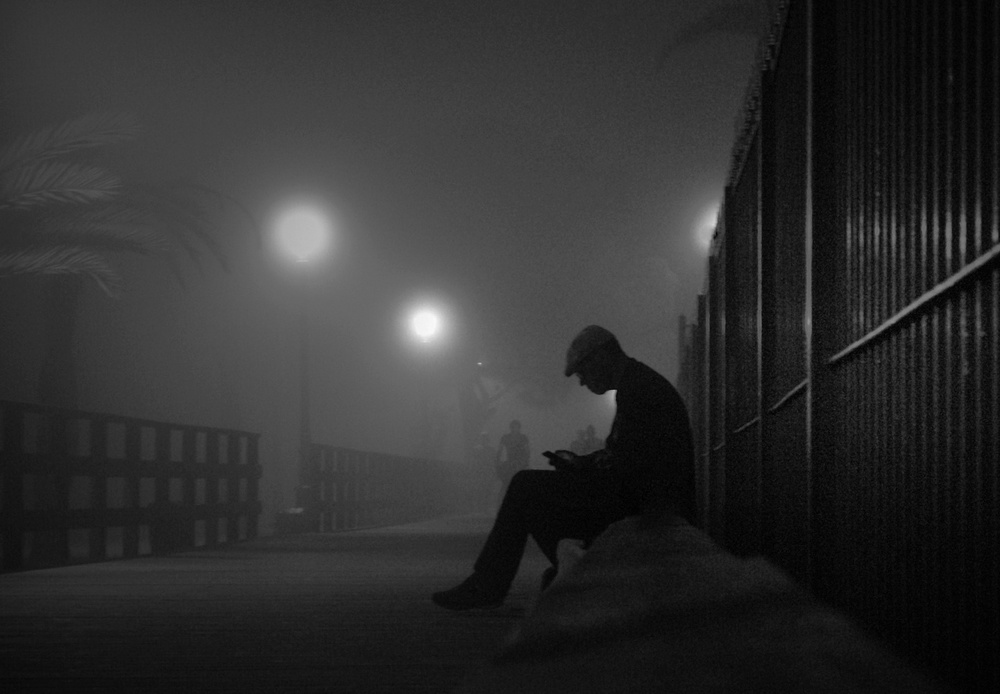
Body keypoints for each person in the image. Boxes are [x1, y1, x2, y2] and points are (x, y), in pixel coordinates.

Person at [432, 325, 696, 611]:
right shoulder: (640, 384)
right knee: (533, 492)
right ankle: (564, 574)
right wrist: (582, 464)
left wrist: (585, 468)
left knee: (525, 486)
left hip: (642, 509)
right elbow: (628, 457)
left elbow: (627, 466)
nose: (582, 382)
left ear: (600, 359)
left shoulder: (638, 391)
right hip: (646, 504)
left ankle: (491, 584)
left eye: (582, 372)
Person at [494, 419, 530, 500]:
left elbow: (527, 451)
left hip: (520, 464)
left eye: (516, 427)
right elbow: (500, 450)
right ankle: (502, 500)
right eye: (513, 427)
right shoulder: (505, 437)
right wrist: (498, 461)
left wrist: (524, 462)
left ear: (519, 428)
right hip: (509, 464)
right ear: (511, 428)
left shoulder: (523, 438)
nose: (515, 429)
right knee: (506, 483)